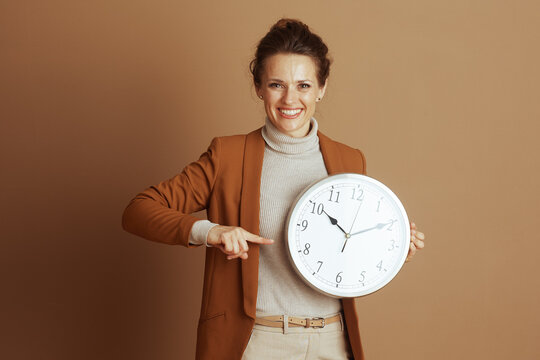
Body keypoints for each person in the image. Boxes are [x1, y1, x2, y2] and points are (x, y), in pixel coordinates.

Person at [122, 18, 425, 360]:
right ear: (259, 88)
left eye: (304, 85)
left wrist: (389, 244)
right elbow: (138, 211)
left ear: (322, 88)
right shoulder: (228, 156)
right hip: (257, 343)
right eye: (277, 85)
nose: (290, 99)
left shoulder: (349, 160)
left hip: (332, 340)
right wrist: (211, 231)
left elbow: (340, 250)